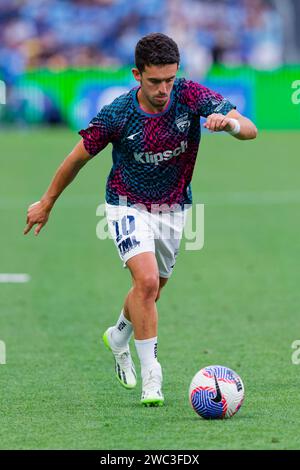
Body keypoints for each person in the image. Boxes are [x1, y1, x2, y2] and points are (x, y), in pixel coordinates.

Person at [24, 33, 257, 407]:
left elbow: (250, 129)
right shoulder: (117, 114)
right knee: (146, 282)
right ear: (137, 74)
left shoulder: (190, 95)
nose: (164, 89)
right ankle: (152, 377)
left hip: (174, 208)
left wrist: (227, 124)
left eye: (169, 79)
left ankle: (118, 337)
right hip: (125, 203)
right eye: (154, 81)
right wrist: (47, 202)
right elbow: (76, 159)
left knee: (151, 291)